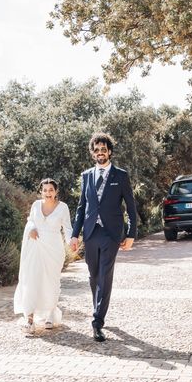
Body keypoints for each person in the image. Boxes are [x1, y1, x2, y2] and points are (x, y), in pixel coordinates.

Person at [70, 132, 137, 342]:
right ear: (93, 153)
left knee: (105, 275)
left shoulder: (121, 175)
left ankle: (97, 321)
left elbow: (131, 207)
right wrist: (74, 234)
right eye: (97, 150)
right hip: (91, 232)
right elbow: (82, 207)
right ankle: (98, 306)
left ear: (110, 152)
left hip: (111, 233)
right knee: (93, 275)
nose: (101, 153)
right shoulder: (86, 176)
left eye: (104, 150)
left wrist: (131, 234)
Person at [14, 178, 72, 333]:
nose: (48, 193)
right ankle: (29, 319)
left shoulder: (63, 207)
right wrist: (31, 227)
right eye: (45, 190)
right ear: (41, 191)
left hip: (54, 249)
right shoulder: (36, 205)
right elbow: (30, 220)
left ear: (56, 191)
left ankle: (50, 314)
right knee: (31, 279)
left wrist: (71, 242)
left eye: (51, 190)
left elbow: (67, 228)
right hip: (35, 246)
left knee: (51, 282)